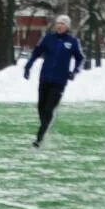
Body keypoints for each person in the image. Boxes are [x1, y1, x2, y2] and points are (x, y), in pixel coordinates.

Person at [24, 14, 84, 148]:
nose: (59, 26)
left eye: (62, 24)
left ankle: (39, 138)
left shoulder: (72, 42)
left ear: (67, 26)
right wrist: (28, 66)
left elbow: (80, 59)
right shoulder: (47, 38)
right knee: (41, 107)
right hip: (45, 78)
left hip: (59, 81)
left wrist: (74, 72)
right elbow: (36, 53)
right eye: (58, 23)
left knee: (49, 109)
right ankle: (45, 127)